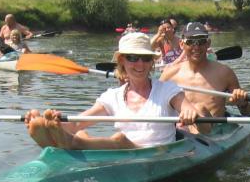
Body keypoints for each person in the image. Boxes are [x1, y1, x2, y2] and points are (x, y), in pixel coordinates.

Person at [24, 32, 207, 150]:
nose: (140, 64)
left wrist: (188, 112)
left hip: (159, 155)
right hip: (123, 158)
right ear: (122, 61)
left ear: (152, 62)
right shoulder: (112, 96)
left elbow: (187, 107)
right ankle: (54, 137)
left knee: (120, 139)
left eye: (145, 58)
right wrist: (54, 123)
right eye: (133, 58)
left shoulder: (167, 89)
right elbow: (77, 123)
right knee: (81, 132)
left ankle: (71, 143)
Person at [160, 21, 250, 121]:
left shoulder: (225, 73)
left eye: (201, 41)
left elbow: (248, 113)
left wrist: (244, 103)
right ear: (182, 44)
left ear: (208, 43)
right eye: (190, 42)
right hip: (181, 128)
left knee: (200, 109)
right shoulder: (169, 75)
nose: (196, 47)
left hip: (215, 129)